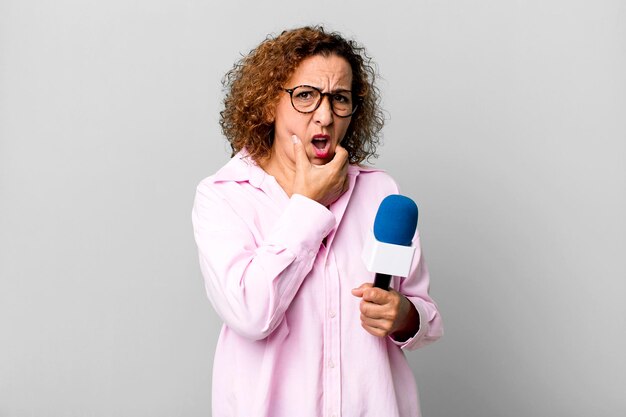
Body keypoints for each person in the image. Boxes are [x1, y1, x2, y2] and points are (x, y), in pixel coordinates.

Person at [192, 26, 443, 417]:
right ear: (266, 103)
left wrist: (404, 316)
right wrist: (308, 204)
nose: (324, 116)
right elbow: (250, 314)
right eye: (305, 96)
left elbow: (424, 314)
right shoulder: (224, 195)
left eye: (339, 99)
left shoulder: (380, 193)